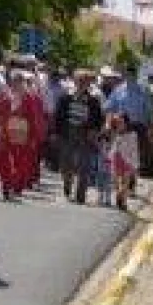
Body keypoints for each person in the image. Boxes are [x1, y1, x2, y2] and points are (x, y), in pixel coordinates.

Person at [53, 70, 105, 205]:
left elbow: (99, 120)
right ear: (75, 81)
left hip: (85, 135)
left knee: (84, 166)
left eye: (85, 81)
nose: (82, 83)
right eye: (79, 80)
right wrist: (55, 133)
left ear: (89, 84)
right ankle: (67, 187)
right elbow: (57, 116)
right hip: (67, 133)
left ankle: (80, 195)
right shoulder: (65, 97)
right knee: (66, 164)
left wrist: (95, 132)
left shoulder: (93, 101)